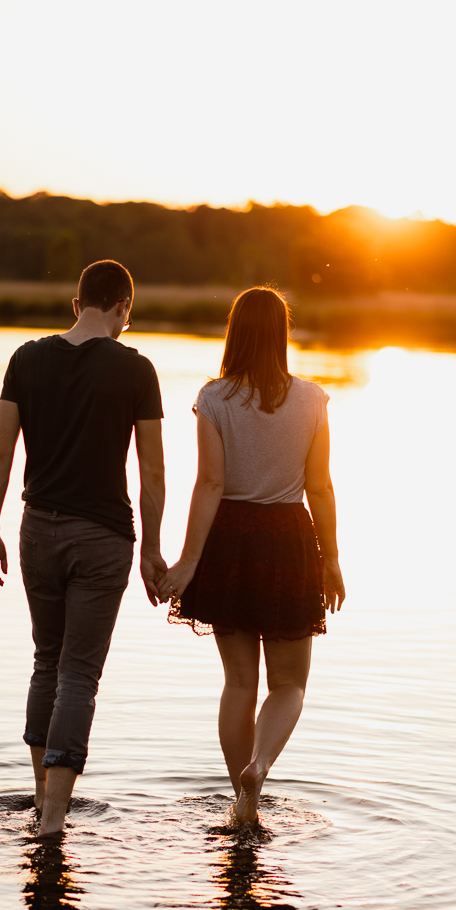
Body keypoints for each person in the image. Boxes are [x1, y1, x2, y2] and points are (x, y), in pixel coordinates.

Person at [0, 260, 166, 837]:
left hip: (37, 531)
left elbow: (1, 452)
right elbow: (153, 473)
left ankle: (40, 796)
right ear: (123, 308)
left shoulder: (27, 358)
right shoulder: (136, 369)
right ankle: (56, 816)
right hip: (103, 537)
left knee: (46, 662)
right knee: (79, 674)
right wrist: (152, 552)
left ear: (75, 301)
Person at [158, 286, 344, 824]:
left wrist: (189, 562)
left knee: (239, 682)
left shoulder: (214, 398)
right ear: (281, 335)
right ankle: (259, 767)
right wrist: (331, 560)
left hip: (231, 540)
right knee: (289, 684)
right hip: (287, 538)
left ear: (234, 332)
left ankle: (242, 801)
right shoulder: (312, 399)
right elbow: (321, 487)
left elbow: (211, 482)